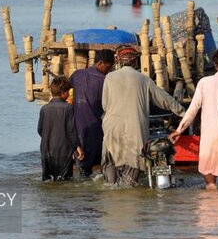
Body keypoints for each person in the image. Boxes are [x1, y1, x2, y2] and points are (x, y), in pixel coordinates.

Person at [101, 47, 185, 186]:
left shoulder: (109, 78)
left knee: (111, 159)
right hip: (135, 128)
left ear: (119, 61)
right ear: (135, 62)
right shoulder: (143, 79)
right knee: (134, 163)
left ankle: (111, 186)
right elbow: (165, 99)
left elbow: (105, 105)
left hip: (112, 127)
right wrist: (183, 112)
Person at [169, 48, 218, 189]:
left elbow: (192, 110)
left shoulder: (205, 83)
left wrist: (179, 130)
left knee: (210, 181)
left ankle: (210, 204)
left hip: (211, 135)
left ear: (215, 64)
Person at [70, 49, 115, 177]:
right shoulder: (105, 81)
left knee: (82, 163)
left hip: (78, 127)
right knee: (98, 161)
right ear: (100, 63)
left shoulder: (77, 75)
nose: (109, 69)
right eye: (108, 66)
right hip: (96, 127)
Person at [37, 76, 84, 181]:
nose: (68, 95)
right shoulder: (68, 108)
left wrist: (48, 138)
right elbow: (71, 130)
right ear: (63, 92)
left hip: (46, 150)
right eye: (68, 92)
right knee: (65, 180)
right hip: (64, 150)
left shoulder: (44, 109)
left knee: (48, 180)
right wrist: (77, 146)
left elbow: (40, 130)